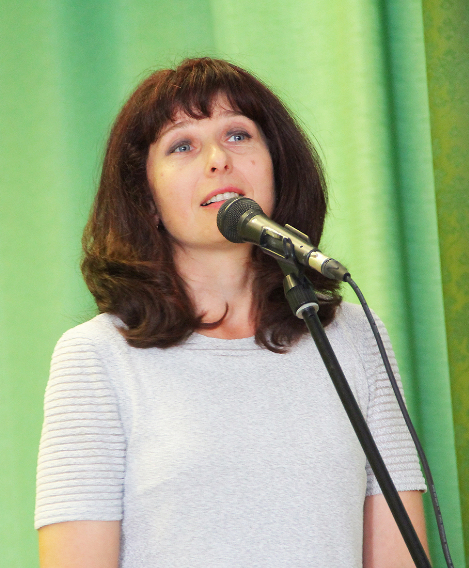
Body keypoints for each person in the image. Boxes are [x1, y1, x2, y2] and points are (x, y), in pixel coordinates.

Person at [35, 57, 428, 568]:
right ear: (145, 198)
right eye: (182, 145)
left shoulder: (354, 336)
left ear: (277, 167)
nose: (218, 159)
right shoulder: (96, 356)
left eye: (238, 135)